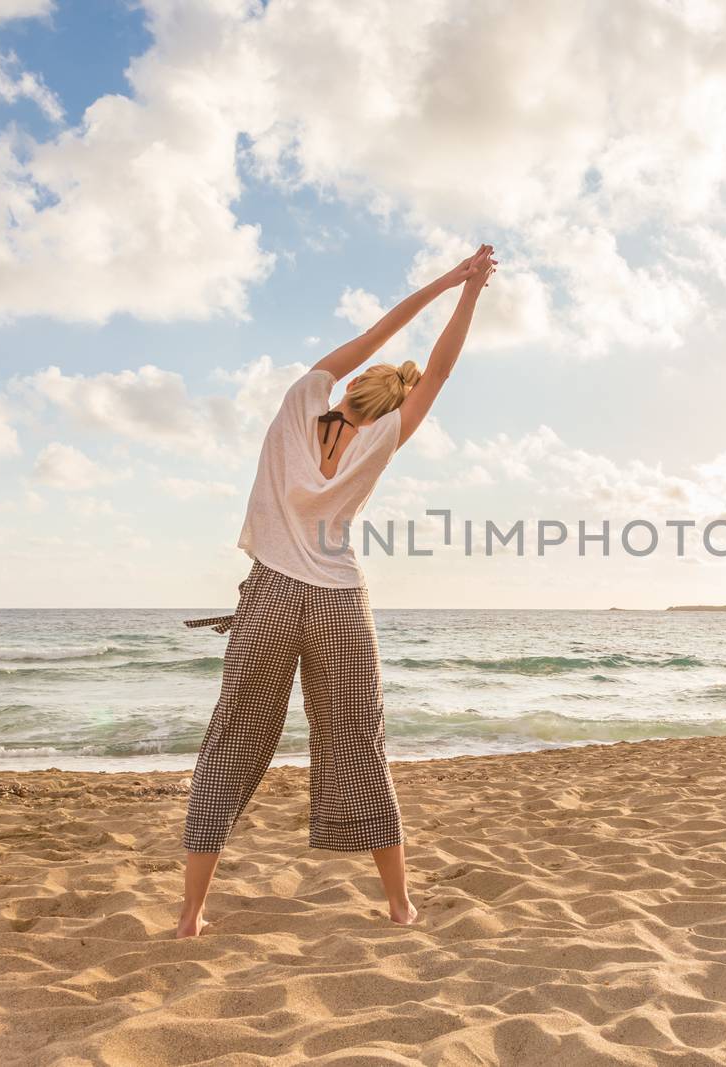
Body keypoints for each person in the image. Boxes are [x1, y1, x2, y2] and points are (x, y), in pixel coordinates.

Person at [175, 244, 497, 937]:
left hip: (269, 595)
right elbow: (439, 367)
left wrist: (447, 277)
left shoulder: (298, 405)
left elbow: (379, 333)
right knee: (359, 743)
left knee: (230, 741)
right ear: (390, 399)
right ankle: (401, 904)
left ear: (350, 385)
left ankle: (191, 916)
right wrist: (473, 291)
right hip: (338, 602)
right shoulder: (385, 435)